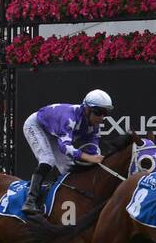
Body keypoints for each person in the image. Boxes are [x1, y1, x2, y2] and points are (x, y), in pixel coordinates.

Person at [21, 89, 112, 217]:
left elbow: (93, 151)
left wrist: (96, 159)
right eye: (98, 112)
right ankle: (30, 200)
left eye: (105, 113)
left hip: (54, 132)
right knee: (48, 160)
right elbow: (65, 147)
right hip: (36, 125)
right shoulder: (70, 117)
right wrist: (89, 158)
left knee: (68, 169)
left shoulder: (95, 126)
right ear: (86, 109)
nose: (101, 117)